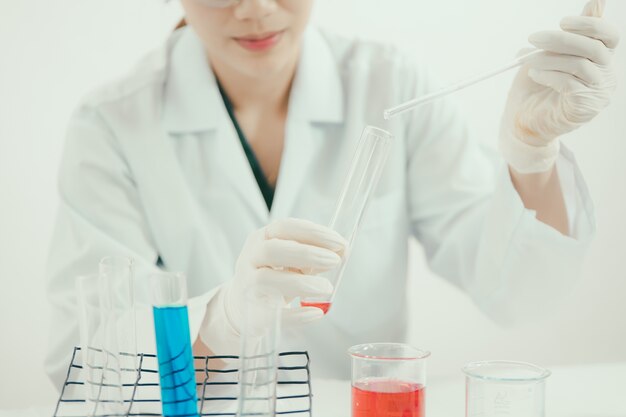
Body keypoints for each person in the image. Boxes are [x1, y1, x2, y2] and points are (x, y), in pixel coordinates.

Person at [45, 0, 620, 387]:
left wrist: (531, 156)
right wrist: (218, 321)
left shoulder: (391, 82)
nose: (257, 9)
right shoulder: (112, 125)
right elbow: (81, 362)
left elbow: (519, 294)